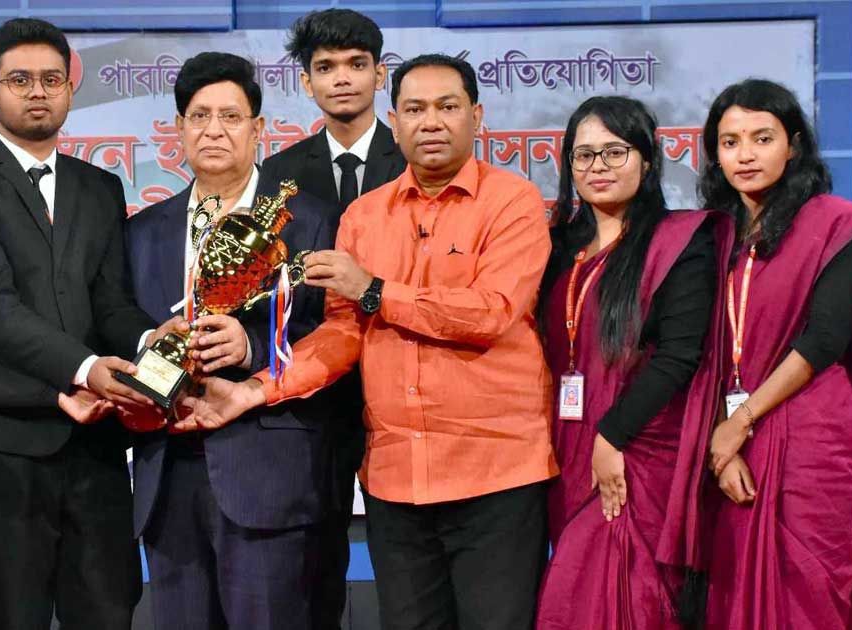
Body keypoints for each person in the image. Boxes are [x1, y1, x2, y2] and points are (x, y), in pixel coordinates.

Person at [181, 54, 557, 630]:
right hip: (394, 478)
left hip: (495, 474)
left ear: (477, 117)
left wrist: (375, 290)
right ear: (394, 121)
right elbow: (341, 334)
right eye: (415, 109)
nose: (431, 122)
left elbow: (492, 312)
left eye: (448, 107)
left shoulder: (514, 202)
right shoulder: (362, 216)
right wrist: (253, 391)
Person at [0, 18, 174, 630]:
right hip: (4, 439)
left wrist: (151, 341)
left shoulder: (100, 186)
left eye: (51, 79)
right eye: (20, 79)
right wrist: (85, 370)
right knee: (18, 613)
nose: (37, 91)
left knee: (109, 608)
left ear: (69, 90)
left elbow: (109, 303)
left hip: (96, 442)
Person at [122, 51, 335, 630]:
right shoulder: (142, 231)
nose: (213, 130)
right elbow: (119, 321)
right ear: (178, 128)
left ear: (258, 128)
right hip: (168, 475)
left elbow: (333, 334)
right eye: (199, 116)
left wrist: (252, 347)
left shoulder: (309, 222)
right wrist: (150, 344)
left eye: (230, 117)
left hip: (265, 472)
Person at [702, 78, 852, 629]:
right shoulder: (710, 238)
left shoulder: (835, 224)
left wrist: (741, 420)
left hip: (812, 433)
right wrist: (722, 445)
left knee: (809, 593)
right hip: (724, 440)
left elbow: (824, 339)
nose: (745, 155)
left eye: (762, 138)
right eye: (730, 142)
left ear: (793, 145)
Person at [533, 96, 729, 630]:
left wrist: (612, 436)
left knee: (620, 598)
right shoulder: (556, 247)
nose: (598, 167)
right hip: (564, 445)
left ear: (647, 160)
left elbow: (680, 355)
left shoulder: (679, 243)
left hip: (638, 447)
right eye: (584, 155)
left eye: (615, 152)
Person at [260, 11, 406, 626]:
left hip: (403, 386)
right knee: (313, 561)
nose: (342, 79)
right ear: (306, 82)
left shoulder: (416, 158)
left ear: (380, 73)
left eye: (355, 65)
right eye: (326, 68)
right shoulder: (278, 175)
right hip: (313, 395)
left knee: (404, 565)